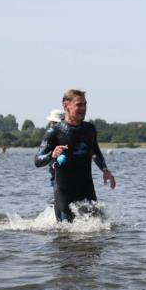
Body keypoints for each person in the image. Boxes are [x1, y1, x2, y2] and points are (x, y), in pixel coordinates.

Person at [34, 90, 115, 222]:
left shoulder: (89, 129)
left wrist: (105, 170)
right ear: (66, 106)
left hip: (87, 189)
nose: (83, 108)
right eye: (79, 105)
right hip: (64, 192)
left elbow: (95, 151)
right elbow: (37, 160)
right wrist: (51, 154)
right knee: (65, 235)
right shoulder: (54, 131)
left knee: (99, 230)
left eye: (85, 104)